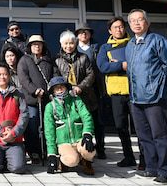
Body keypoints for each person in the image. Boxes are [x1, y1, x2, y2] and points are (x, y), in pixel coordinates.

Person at [125, 9, 167, 185]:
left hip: (154, 97)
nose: (137, 23)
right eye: (133, 21)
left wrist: (161, 86)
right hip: (135, 98)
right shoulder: (130, 44)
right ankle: (151, 167)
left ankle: (166, 172)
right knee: (143, 136)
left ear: (147, 22)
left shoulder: (158, 41)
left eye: (140, 20)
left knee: (160, 135)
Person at [97, 16, 142, 168]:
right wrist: (122, 65)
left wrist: (118, 65)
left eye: (121, 27)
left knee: (139, 126)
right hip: (116, 93)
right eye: (115, 27)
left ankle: (145, 158)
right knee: (121, 127)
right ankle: (128, 156)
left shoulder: (133, 43)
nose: (119, 29)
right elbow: (103, 67)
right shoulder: (105, 48)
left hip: (135, 91)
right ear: (110, 30)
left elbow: (140, 63)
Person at [54, 30, 101, 157]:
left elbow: (91, 74)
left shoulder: (83, 57)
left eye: (71, 43)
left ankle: (96, 150)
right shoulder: (57, 60)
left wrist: (80, 87)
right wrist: (66, 89)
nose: (68, 46)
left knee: (90, 121)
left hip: (85, 94)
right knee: (74, 123)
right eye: (66, 43)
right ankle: (74, 150)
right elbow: (56, 77)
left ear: (75, 43)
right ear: (61, 44)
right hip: (67, 96)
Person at [44, 76, 96, 175]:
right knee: (72, 160)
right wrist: (51, 154)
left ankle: (87, 162)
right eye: (56, 88)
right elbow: (49, 131)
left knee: (89, 150)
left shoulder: (76, 101)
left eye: (62, 87)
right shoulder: (50, 107)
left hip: (79, 138)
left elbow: (87, 116)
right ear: (53, 91)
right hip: (64, 142)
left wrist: (87, 133)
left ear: (66, 88)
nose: (59, 89)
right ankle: (65, 162)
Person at [17, 34, 54, 164]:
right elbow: (23, 79)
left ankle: (46, 151)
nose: (37, 46)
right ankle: (33, 152)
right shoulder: (24, 60)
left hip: (47, 100)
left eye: (39, 44)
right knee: (32, 127)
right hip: (32, 100)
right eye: (34, 44)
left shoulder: (48, 60)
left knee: (47, 126)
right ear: (29, 46)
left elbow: (53, 77)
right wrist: (34, 90)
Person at [75, 23, 106, 159]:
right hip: (78, 90)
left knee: (96, 120)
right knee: (80, 119)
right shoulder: (73, 48)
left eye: (86, 32)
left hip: (94, 89)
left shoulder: (96, 49)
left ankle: (100, 147)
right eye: (81, 32)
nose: (84, 34)